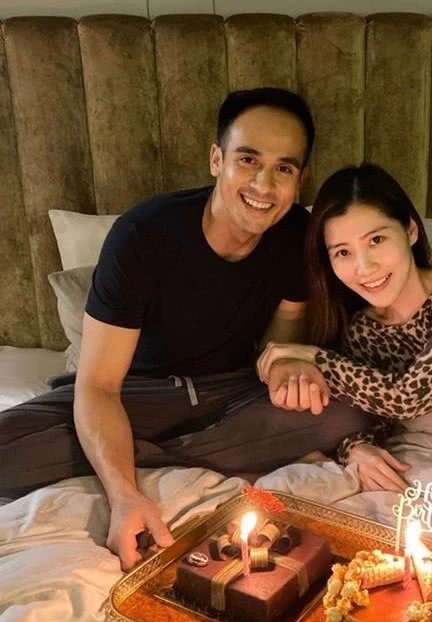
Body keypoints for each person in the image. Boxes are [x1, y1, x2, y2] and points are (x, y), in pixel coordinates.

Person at [0, 88, 375, 570]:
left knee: (345, 411)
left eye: (283, 168)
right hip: (137, 394)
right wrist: (124, 495)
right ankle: (161, 453)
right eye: (248, 160)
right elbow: (98, 385)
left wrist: (286, 363)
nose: (264, 185)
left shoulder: (297, 237)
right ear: (217, 159)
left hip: (230, 392)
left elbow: (279, 343)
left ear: (299, 180)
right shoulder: (143, 234)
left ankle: (141, 453)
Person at [257, 163, 432, 491]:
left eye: (376, 239)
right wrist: (355, 448)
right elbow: (375, 417)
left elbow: (409, 397)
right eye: (343, 252)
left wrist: (314, 357)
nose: (364, 267)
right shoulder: (364, 331)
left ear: (410, 231)